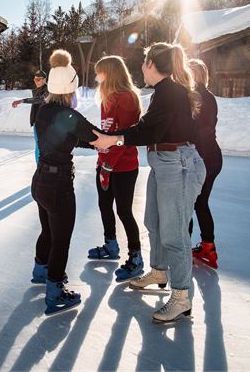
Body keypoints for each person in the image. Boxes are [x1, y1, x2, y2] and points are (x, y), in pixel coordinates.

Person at [90, 43, 206, 323]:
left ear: (152, 65)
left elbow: (147, 129)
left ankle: (181, 297)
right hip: (163, 162)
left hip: (177, 164)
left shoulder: (171, 93)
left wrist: (114, 138)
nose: (141, 67)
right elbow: (148, 130)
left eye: (144, 62)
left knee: (174, 232)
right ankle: (159, 270)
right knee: (153, 222)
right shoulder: (163, 93)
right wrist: (114, 137)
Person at [30, 49, 98, 315]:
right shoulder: (71, 116)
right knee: (61, 239)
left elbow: (67, 138)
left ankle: (40, 270)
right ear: (72, 89)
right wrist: (118, 140)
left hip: (40, 181)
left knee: (47, 231)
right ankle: (55, 290)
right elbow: (96, 136)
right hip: (58, 185)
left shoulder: (45, 110)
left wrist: (89, 143)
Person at [87, 55, 144, 283]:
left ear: (111, 73)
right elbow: (108, 133)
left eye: (101, 72)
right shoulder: (107, 98)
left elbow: (126, 137)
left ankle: (136, 257)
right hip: (105, 163)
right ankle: (111, 245)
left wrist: (109, 165)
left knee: (124, 211)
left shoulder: (127, 98)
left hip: (124, 166)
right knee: (104, 205)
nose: (97, 76)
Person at [188, 59, 222, 269]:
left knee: (189, 202)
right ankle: (208, 246)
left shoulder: (194, 97)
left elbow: (197, 129)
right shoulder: (209, 96)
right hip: (213, 156)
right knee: (200, 202)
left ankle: (184, 247)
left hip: (201, 157)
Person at [12, 70, 48, 161]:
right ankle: (39, 168)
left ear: (44, 80)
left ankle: (41, 168)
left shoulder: (47, 90)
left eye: (38, 79)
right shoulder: (37, 90)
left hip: (44, 122)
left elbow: (39, 99)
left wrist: (22, 101)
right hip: (37, 122)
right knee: (38, 146)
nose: (36, 81)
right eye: (35, 79)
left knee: (41, 146)